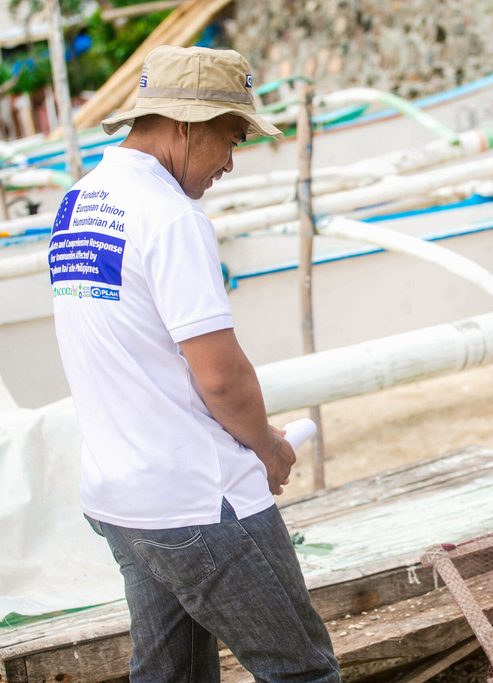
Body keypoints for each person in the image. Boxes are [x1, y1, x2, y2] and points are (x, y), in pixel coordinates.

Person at [49, 46, 340, 682]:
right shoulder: (172, 217)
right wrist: (266, 447)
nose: (230, 163)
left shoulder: (80, 203)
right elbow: (220, 375)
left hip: (121, 499)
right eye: (230, 138)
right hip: (195, 498)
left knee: (169, 676)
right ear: (187, 124)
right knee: (303, 672)